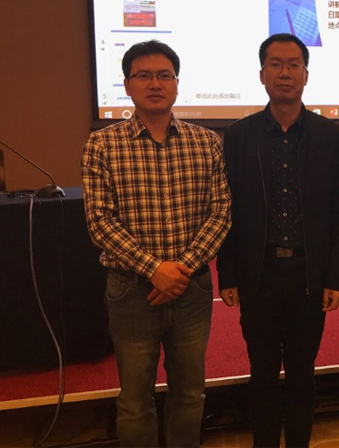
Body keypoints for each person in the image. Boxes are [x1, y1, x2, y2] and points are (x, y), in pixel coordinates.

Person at [81, 40, 231, 448]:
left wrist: (180, 270)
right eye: (144, 76)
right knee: (134, 400)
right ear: (127, 85)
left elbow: (221, 212)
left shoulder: (207, 142)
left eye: (164, 75)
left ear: (177, 84)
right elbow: (99, 221)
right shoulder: (102, 144)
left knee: (190, 394)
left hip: (191, 290)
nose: (155, 83)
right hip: (131, 291)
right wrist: (155, 270)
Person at [217, 33, 339, 448]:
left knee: (301, 375)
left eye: (294, 65)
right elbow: (227, 210)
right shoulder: (239, 136)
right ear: (262, 75)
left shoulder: (330, 136)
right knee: (261, 374)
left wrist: (336, 277)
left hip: (308, 276)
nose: (285, 73)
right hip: (258, 275)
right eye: (275, 64)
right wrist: (228, 274)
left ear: (306, 75)